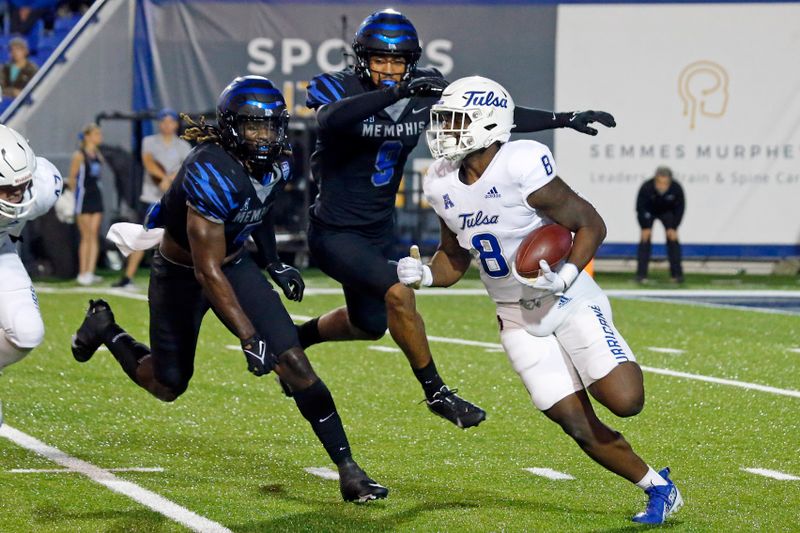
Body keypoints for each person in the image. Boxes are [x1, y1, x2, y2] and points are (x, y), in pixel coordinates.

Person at [70, 76, 388, 502]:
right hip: (183, 274)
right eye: (253, 126)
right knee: (168, 384)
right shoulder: (209, 170)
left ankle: (349, 469)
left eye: (271, 126)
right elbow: (206, 271)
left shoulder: (276, 160)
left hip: (234, 263)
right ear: (230, 127)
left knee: (294, 360)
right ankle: (106, 330)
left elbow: (263, 203)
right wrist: (249, 338)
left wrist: (274, 262)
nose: (264, 136)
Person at [294, 8, 616, 428]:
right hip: (333, 230)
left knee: (367, 324)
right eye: (379, 60)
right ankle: (436, 391)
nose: (390, 70)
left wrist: (563, 119)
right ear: (361, 59)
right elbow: (330, 118)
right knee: (397, 294)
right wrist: (398, 93)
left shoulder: (423, 85)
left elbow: (491, 116)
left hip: (377, 228)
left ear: (412, 60)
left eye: (398, 61)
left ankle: (295, 338)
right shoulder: (339, 87)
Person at [398, 76, 682, 524]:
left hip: (568, 299)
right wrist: (427, 275)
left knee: (625, 400)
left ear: (487, 124)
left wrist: (567, 274)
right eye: (444, 120)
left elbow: (591, 223)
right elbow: (453, 257)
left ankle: (600, 355)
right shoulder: (441, 183)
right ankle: (658, 488)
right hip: (516, 316)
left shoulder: (521, 164)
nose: (444, 130)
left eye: (455, 120)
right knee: (574, 423)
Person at [0, 125, 63, 424]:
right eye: (8, 190)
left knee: (27, 331)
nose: (18, 197)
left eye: (21, 187)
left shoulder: (42, 187)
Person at [113, 108, 192, 289]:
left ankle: (177, 278)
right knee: (141, 237)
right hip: (151, 198)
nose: (167, 125)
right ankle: (127, 278)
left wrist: (171, 180)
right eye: (163, 121)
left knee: (176, 240)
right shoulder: (149, 141)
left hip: (173, 200)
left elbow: (184, 168)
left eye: (170, 121)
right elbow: (148, 162)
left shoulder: (183, 146)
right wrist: (163, 179)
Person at [67, 123, 105, 286]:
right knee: (86, 235)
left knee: (94, 234)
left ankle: (90, 271)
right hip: (83, 197)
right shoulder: (79, 155)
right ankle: (82, 272)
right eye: (96, 134)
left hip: (96, 196)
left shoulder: (97, 154)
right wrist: (75, 197)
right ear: (88, 136)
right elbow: (72, 178)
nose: (99, 137)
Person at [636, 166, 685, 283]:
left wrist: (674, 227)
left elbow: (680, 209)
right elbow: (640, 208)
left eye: (665, 183)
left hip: (667, 213)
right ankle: (641, 275)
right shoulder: (646, 187)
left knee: (673, 239)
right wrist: (645, 226)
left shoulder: (676, 188)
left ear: (670, 182)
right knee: (645, 239)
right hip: (649, 211)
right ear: (655, 180)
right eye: (659, 183)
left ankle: (677, 275)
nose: (662, 186)